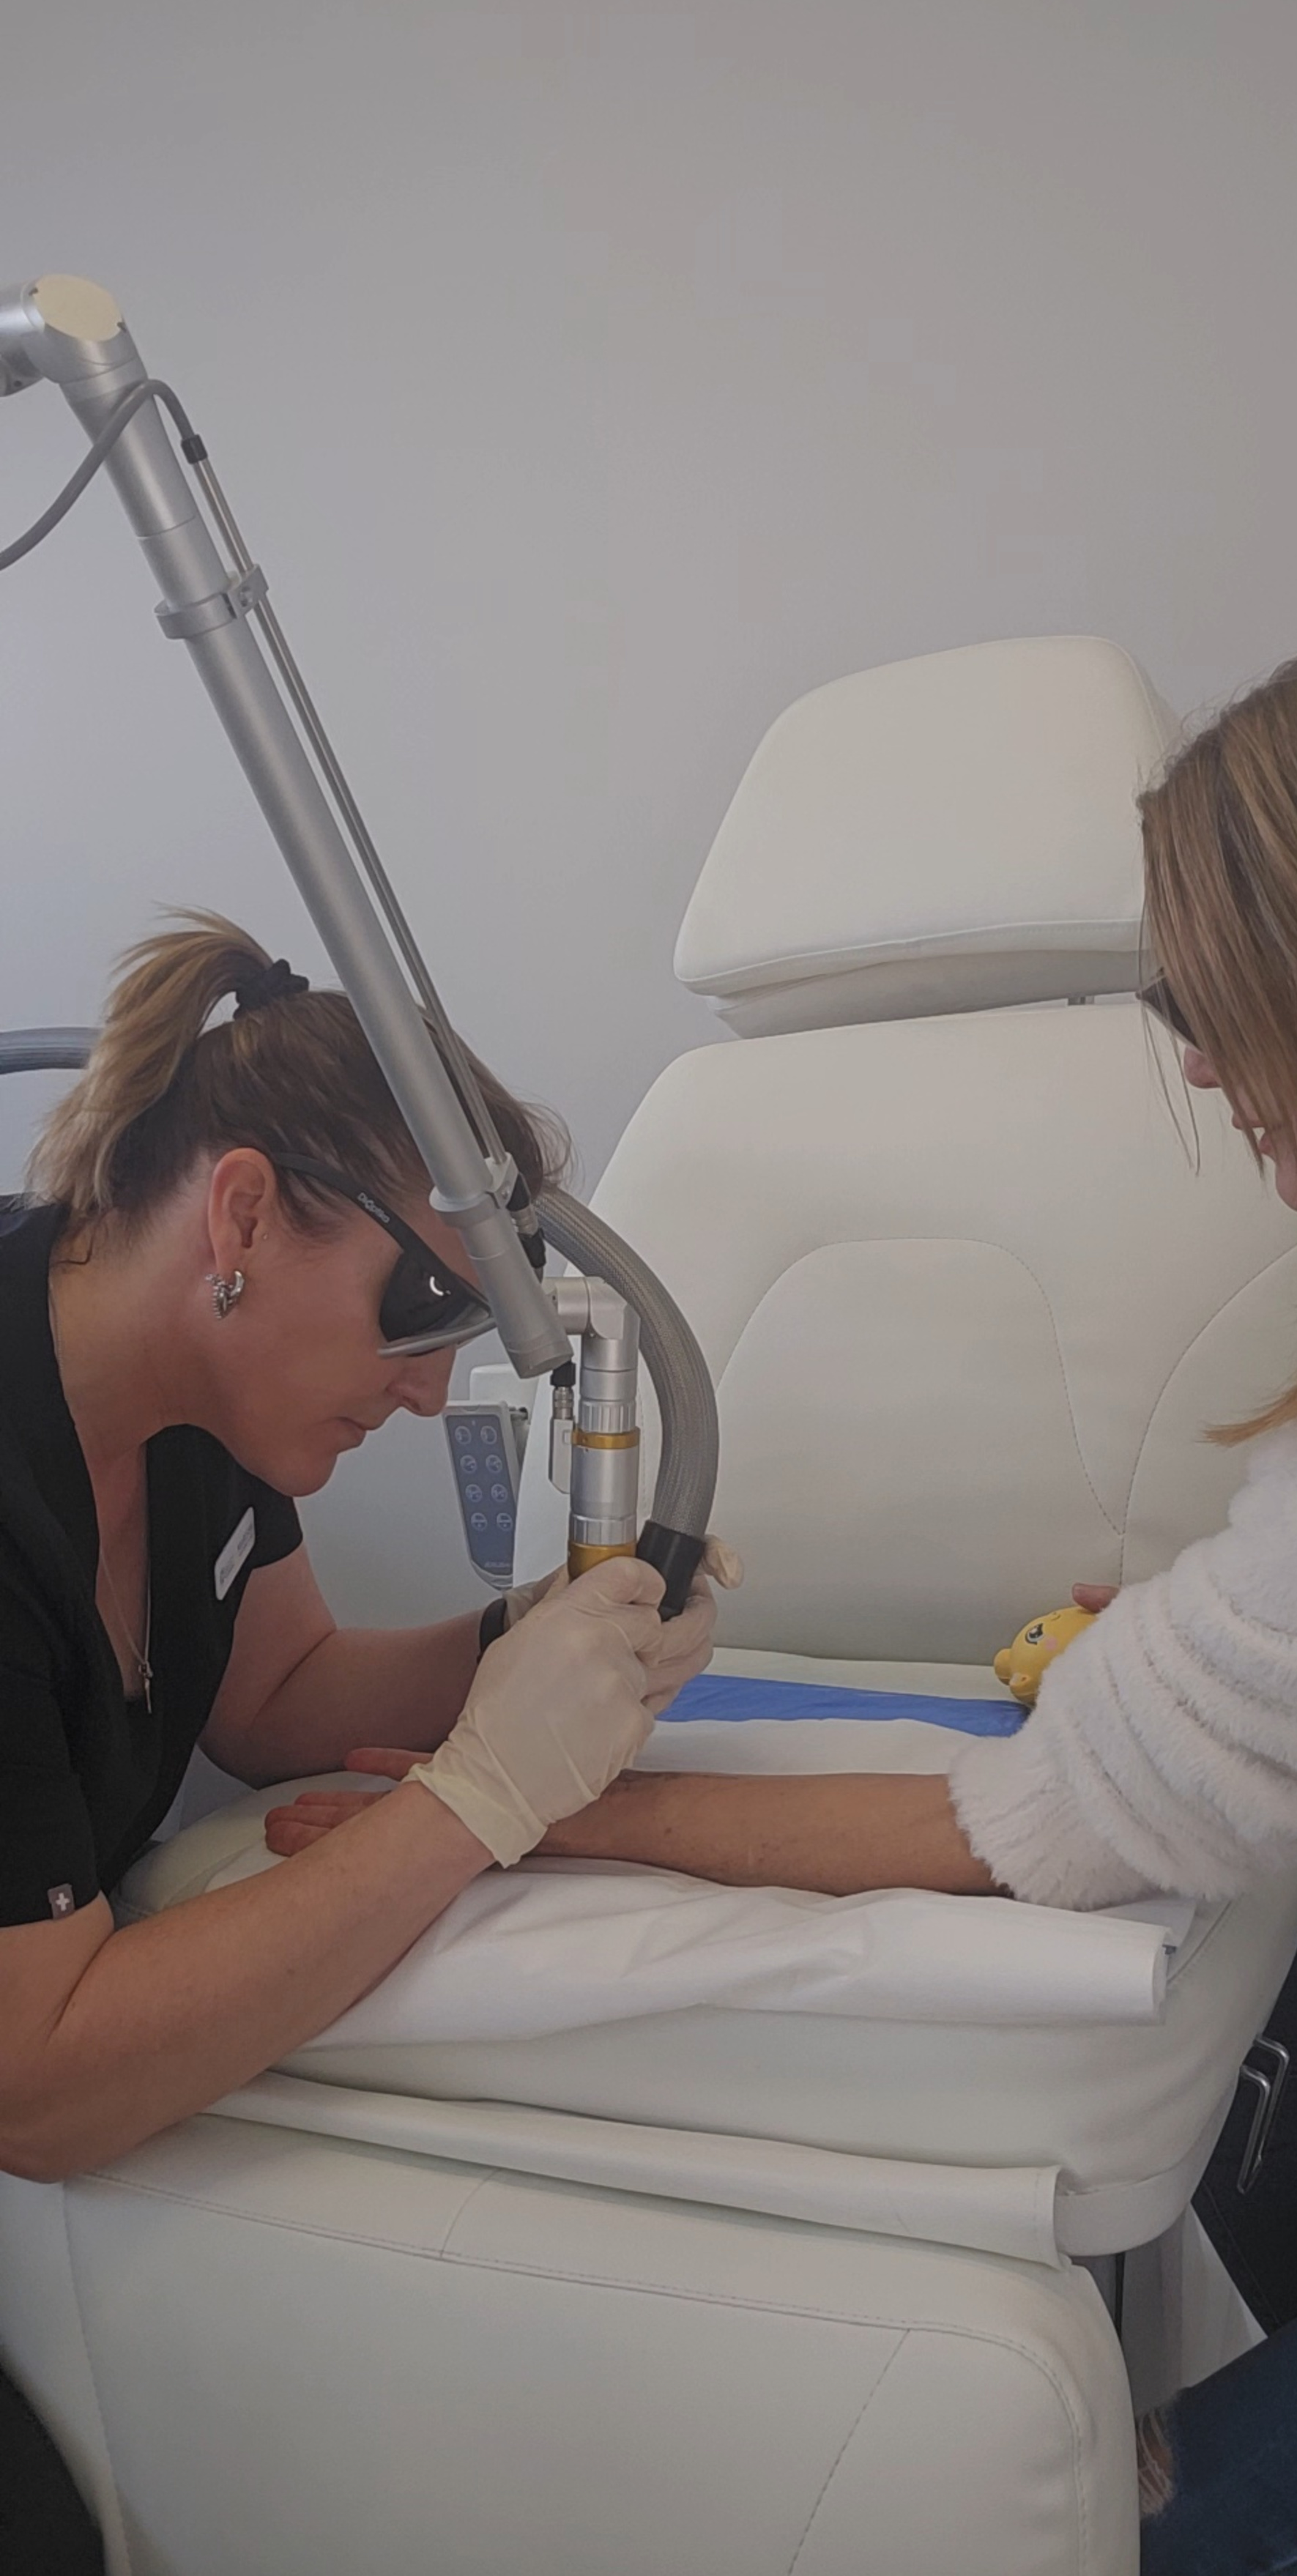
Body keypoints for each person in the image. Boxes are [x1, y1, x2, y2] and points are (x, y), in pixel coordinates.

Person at [275, 621, 1297, 2572]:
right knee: (1265, 2051)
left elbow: (1019, 1824)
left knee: (1182, 2532)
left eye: (1226, 990)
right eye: (1176, 988)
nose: (1190, 1052)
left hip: (959, 1786)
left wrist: (509, 1813)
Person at [0, 913, 721, 2568]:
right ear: (239, 1213)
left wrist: (538, 1642)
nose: (422, 1392)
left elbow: (280, 1691)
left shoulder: (189, 1405)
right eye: (416, 1313)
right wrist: (475, 1797)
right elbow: (35, 2084)